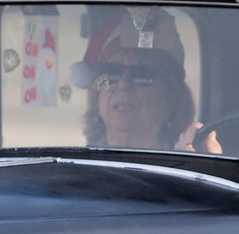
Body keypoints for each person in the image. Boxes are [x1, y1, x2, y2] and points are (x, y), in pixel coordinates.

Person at [78, 8, 197, 150]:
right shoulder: (80, 166)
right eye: (113, 72)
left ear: (171, 102)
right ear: (96, 100)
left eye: (142, 74)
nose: (123, 84)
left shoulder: (187, 167)